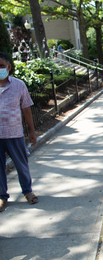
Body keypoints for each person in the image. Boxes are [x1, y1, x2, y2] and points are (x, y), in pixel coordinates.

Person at [0, 52, 38, 212]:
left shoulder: (18, 85)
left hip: (14, 133)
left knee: (21, 165)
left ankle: (27, 191)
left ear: (9, 66)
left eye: (1, 66)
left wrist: (31, 130)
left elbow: (26, 109)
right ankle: (2, 196)